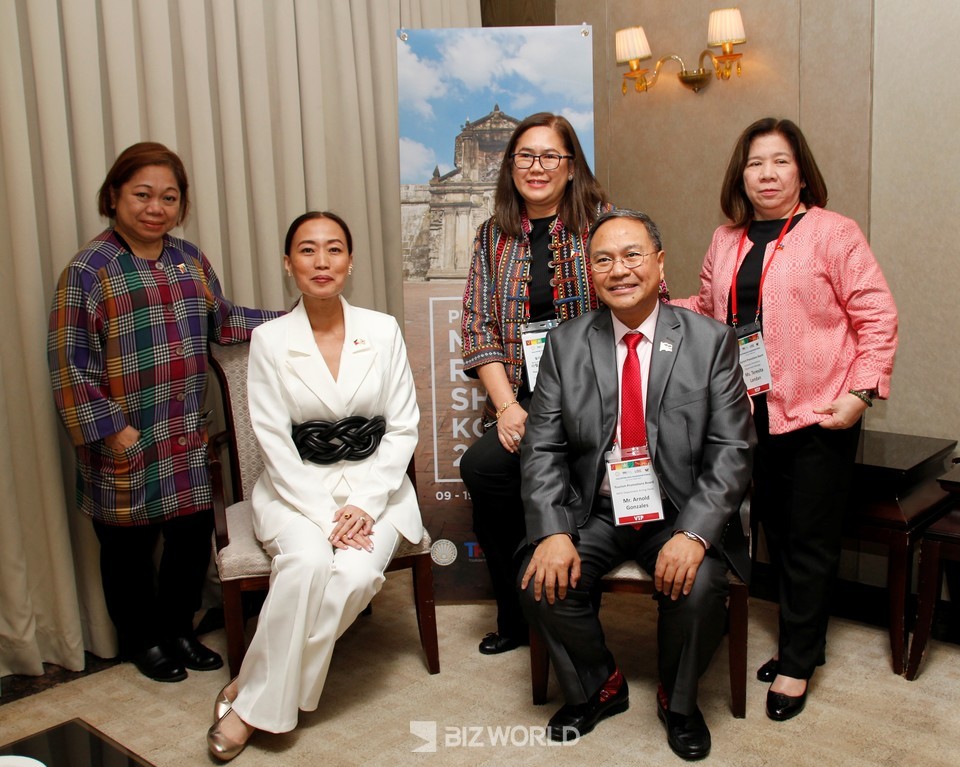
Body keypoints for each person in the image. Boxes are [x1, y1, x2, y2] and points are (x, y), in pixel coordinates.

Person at [673, 117, 898, 722]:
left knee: (810, 543)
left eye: (779, 161)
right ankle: (807, 639)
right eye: (754, 163)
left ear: (801, 170)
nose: (766, 174)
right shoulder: (727, 239)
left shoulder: (834, 233)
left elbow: (876, 315)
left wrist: (861, 393)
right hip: (747, 417)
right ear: (739, 175)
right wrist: (647, 296)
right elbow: (706, 306)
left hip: (818, 411)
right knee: (773, 535)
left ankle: (797, 661)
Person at [518, 210, 754, 760]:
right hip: (594, 510)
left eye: (632, 255)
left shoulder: (709, 340)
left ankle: (679, 700)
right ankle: (600, 685)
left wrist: (694, 534)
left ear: (660, 262)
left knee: (697, 591)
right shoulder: (566, 343)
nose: (618, 270)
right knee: (539, 582)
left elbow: (732, 449)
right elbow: (543, 447)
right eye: (603, 259)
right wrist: (552, 531)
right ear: (590, 270)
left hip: (676, 507)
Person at [47, 142, 281, 683]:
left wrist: (290, 318)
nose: (155, 207)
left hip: (185, 435)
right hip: (124, 439)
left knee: (188, 541)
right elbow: (69, 365)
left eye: (168, 198)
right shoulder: (88, 269)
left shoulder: (188, 259)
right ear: (114, 197)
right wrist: (114, 432)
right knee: (127, 553)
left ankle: (180, 630)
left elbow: (221, 322)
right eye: (142, 195)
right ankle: (141, 641)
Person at [205, 212, 422, 761]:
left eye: (333, 250)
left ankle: (249, 694)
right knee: (303, 565)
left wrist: (365, 506)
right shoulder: (269, 340)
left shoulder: (384, 329)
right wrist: (330, 515)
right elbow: (274, 442)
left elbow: (403, 427)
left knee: (352, 574)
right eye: (307, 250)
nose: (321, 262)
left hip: (378, 488)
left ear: (350, 262)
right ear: (288, 264)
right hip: (295, 488)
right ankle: (263, 703)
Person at [460, 112, 620, 655]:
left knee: (572, 474)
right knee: (485, 470)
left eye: (550, 156)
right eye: (525, 155)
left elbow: (648, 301)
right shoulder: (492, 236)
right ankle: (516, 613)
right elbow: (478, 324)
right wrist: (506, 407)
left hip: (598, 397)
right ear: (510, 165)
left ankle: (570, 609)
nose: (536, 166)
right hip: (522, 397)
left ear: (571, 167)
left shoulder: (605, 223)